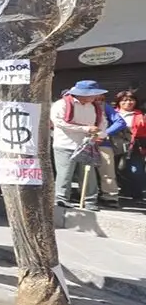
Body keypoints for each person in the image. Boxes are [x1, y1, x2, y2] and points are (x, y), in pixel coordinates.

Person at [50, 81, 108, 211]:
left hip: (88, 144)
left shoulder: (95, 106)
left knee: (88, 173)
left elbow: (102, 122)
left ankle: (90, 200)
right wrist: (85, 129)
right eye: (92, 94)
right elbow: (59, 122)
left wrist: (100, 134)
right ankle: (61, 198)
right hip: (65, 143)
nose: (94, 97)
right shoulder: (61, 104)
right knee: (65, 173)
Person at [113, 90, 146, 200]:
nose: (128, 102)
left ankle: (138, 194)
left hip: (135, 146)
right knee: (118, 168)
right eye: (124, 100)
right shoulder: (113, 113)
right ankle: (125, 189)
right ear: (119, 102)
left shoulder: (141, 115)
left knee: (136, 170)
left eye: (131, 100)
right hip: (116, 145)